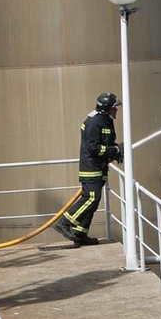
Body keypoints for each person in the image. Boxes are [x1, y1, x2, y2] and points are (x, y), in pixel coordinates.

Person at [55, 92, 122, 246]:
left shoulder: (106, 121)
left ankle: (80, 233)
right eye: (114, 108)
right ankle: (64, 222)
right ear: (106, 109)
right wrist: (114, 151)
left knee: (94, 200)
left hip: (100, 167)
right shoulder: (94, 123)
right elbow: (93, 148)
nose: (116, 111)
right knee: (91, 197)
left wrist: (116, 151)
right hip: (90, 168)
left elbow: (107, 142)